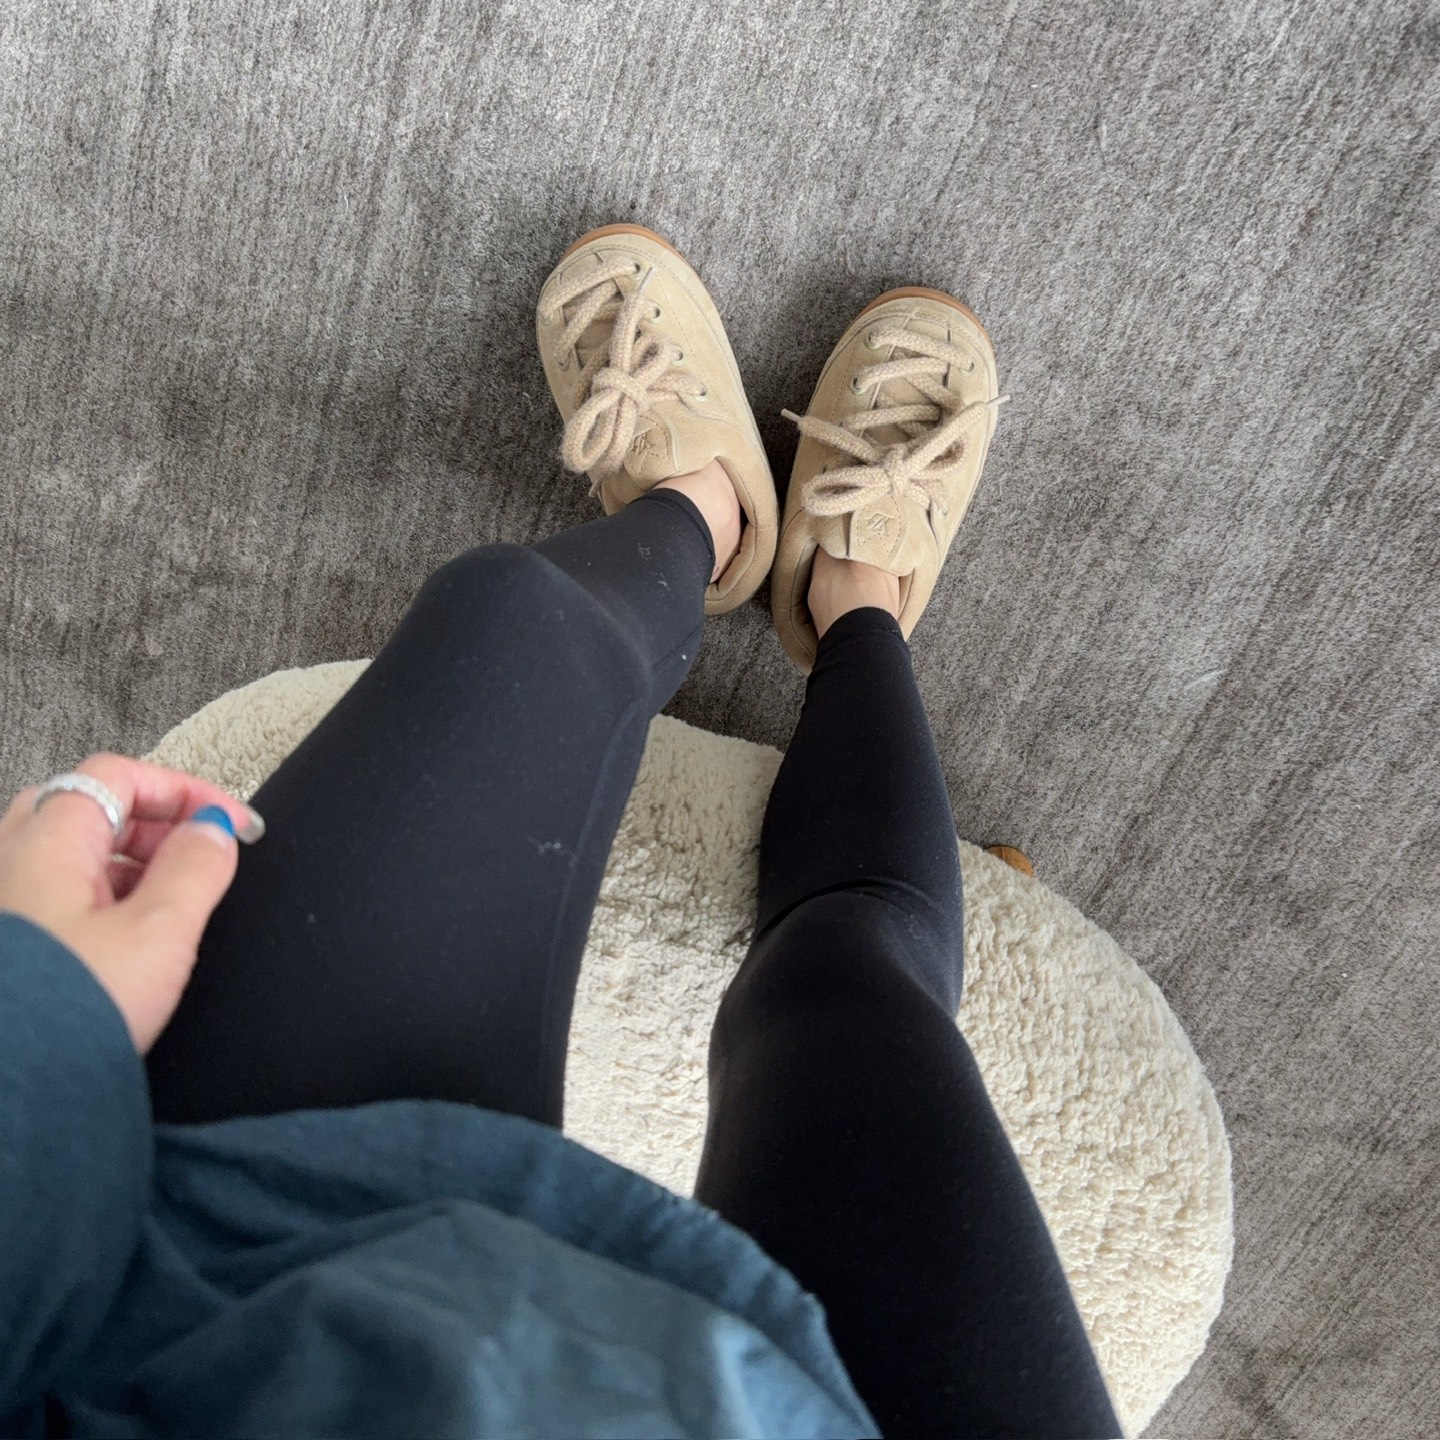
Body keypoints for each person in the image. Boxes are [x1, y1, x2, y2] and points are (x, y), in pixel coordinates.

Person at [0, 224, 1122, 1439]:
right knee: (856, 978)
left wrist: (35, 1019)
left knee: (509, 623)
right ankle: (858, 600)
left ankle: (705, 515)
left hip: (211, 1304)